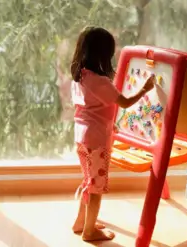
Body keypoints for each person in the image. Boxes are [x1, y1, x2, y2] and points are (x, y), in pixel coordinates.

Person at [69, 26, 155, 242]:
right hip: (96, 140)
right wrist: (145, 89)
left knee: (88, 181)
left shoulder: (80, 76)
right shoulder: (100, 81)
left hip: (82, 136)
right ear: (102, 54)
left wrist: (109, 124)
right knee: (96, 187)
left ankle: (81, 222)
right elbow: (124, 102)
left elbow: (91, 108)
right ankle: (89, 231)